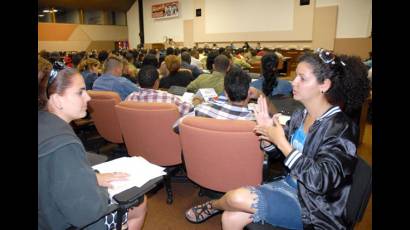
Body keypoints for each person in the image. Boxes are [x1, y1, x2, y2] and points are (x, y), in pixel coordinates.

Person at [184, 49, 370, 229]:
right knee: (230, 217)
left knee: (235, 199)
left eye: (302, 78)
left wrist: (280, 141)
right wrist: (267, 137)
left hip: (315, 207)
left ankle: (212, 206)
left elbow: (321, 181)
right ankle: (218, 208)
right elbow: (279, 155)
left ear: (324, 85)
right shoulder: (301, 114)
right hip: (290, 185)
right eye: (295, 76)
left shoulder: (341, 128)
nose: (293, 82)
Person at [38, 63, 147, 229]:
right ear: (57, 100)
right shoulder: (63, 144)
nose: (88, 97)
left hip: (46, 212)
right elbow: (88, 211)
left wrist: (92, 177)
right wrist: (98, 188)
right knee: (139, 203)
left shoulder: (44, 122)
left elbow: (55, 175)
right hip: (63, 223)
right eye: (80, 92)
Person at [174, 67, 255, 133]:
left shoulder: (202, 109)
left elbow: (176, 127)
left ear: (225, 92)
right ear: (249, 92)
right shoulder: (256, 123)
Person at [125, 65, 193, 116]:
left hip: (136, 134)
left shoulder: (129, 98)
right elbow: (189, 109)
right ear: (157, 82)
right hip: (165, 134)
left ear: (138, 82)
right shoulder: (169, 98)